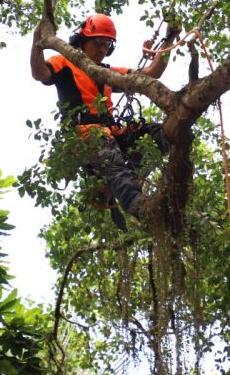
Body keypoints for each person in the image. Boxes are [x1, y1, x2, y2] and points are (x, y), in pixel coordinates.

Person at [30, 13, 177, 227]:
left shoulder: (106, 73)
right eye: (98, 42)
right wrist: (37, 40)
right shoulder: (65, 62)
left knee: (158, 133)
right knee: (114, 162)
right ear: (83, 40)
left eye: (108, 44)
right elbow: (40, 73)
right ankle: (142, 208)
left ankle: (122, 182)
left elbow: (151, 74)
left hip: (111, 133)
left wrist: (168, 41)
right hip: (85, 135)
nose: (103, 49)